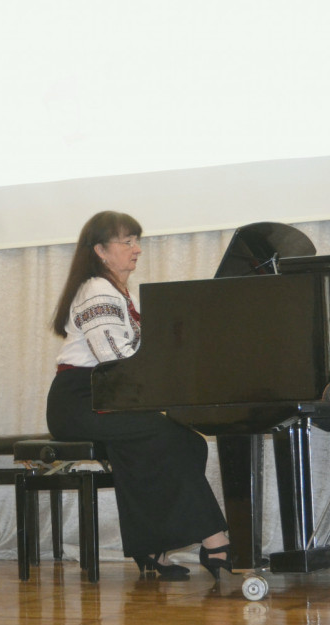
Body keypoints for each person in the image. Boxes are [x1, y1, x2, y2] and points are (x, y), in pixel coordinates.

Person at [46, 210, 232, 580]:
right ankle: (215, 541)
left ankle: (151, 546)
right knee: (166, 437)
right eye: (127, 242)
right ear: (100, 250)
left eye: (137, 241)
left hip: (108, 396)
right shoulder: (96, 290)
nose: (137, 249)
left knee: (190, 443)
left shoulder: (121, 293)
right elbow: (116, 358)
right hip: (81, 401)